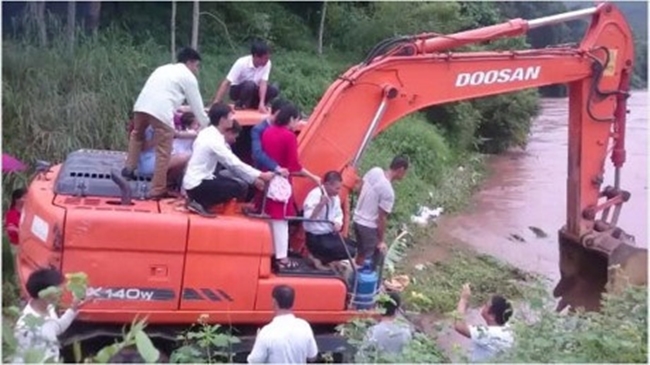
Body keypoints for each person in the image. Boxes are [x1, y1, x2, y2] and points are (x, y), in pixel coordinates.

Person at [122, 47, 210, 200]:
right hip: (161, 113)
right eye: (196, 65)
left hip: (141, 106)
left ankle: (129, 168)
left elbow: (166, 96)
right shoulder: (188, 77)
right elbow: (197, 107)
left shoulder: (163, 69)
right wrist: (208, 126)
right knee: (164, 151)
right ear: (189, 62)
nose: (197, 70)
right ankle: (157, 190)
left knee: (137, 135)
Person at [182, 103, 275, 216]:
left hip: (196, 180)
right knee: (239, 188)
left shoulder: (208, 133)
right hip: (197, 184)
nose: (232, 119)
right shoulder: (214, 140)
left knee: (233, 181)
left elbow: (232, 164)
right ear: (222, 119)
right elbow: (233, 163)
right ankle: (200, 202)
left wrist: (253, 179)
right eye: (230, 116)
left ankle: (199, 201)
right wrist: (260, 175)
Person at [260, 103, 321, 270]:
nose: (296, 124)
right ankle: (282, 258)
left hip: (266, 180)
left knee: (270, 220)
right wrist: (313, 177)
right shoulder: (289, 136)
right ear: (291, 119)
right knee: (281, 221)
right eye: (297, 120)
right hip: (279, 183)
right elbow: (294, 165)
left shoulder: (267, 131)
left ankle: (271, 253)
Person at [13, 268, 87, 363]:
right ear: (43, 292)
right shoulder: (25, 327)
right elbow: (18, 359)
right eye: (57, 290)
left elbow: (56, 327)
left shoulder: (49, 308)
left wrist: (73, 308)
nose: (61, 293)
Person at [352, 156, 409, 268]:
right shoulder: (388, 192)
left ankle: (354, 278)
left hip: (357, 220)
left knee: (361, 253)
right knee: (370, 261)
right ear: (401, 169)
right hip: (368, 227)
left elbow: (360, 187)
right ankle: (363, 283)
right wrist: (381, 241)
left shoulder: (375, 171)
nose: (404, 175)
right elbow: (381, 218)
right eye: (405, 172)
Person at [247, 285, 318, 364]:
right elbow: (312, 357)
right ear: (292, 302)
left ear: (274, 302)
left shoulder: (267, 332)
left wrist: (257, 340)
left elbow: (254, 361)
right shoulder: (304, 326)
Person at [303, 171, 357, 265]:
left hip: (330, 234)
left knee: (356, 247)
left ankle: (324, 260)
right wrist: (320, 205)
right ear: (327, 185)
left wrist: (338, 223)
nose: (338, 191)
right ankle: (318, 257)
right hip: (317, 236)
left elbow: (338, 213)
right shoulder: (315, 195)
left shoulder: (335, 197)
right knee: (350, 252)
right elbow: (308, 219)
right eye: (336, 188)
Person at [211, 40, 279, 112]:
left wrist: (261, 102)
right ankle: (241, 104)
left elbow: (263, 83)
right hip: (238, 90)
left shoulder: (267, 64)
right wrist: (216, 102)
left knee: (273, 90)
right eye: (265, 58)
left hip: (254, 89)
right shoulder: (241, 63)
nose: (266, 60)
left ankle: (256, 105)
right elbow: (227, 82)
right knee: (250, 85)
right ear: (256, 56)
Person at [453, 284, 514, 362]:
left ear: (492, 316)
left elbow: (459, 326)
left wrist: (464, 300)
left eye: (486, 305)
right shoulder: (507, 328)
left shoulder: (488, 334)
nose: (483, 306)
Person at [362, 292, 412, 357]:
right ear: (397, 310)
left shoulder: (373, 332)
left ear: (379, 309)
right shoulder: (405, 331)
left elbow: (362, 355)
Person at [250, 98, 289, 175]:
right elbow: (257, 153)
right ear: (278, 112)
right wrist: (276, 167)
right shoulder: (258, 129)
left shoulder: (285, 129)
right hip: (264, 171)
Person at [5, 188, 26, 253]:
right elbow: (10, 228)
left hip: (27, 245)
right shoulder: (11, 213)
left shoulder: (28, 212)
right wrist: (21, 231)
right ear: (16, 199)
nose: (26, 200)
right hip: (16, 245)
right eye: (24, 197)